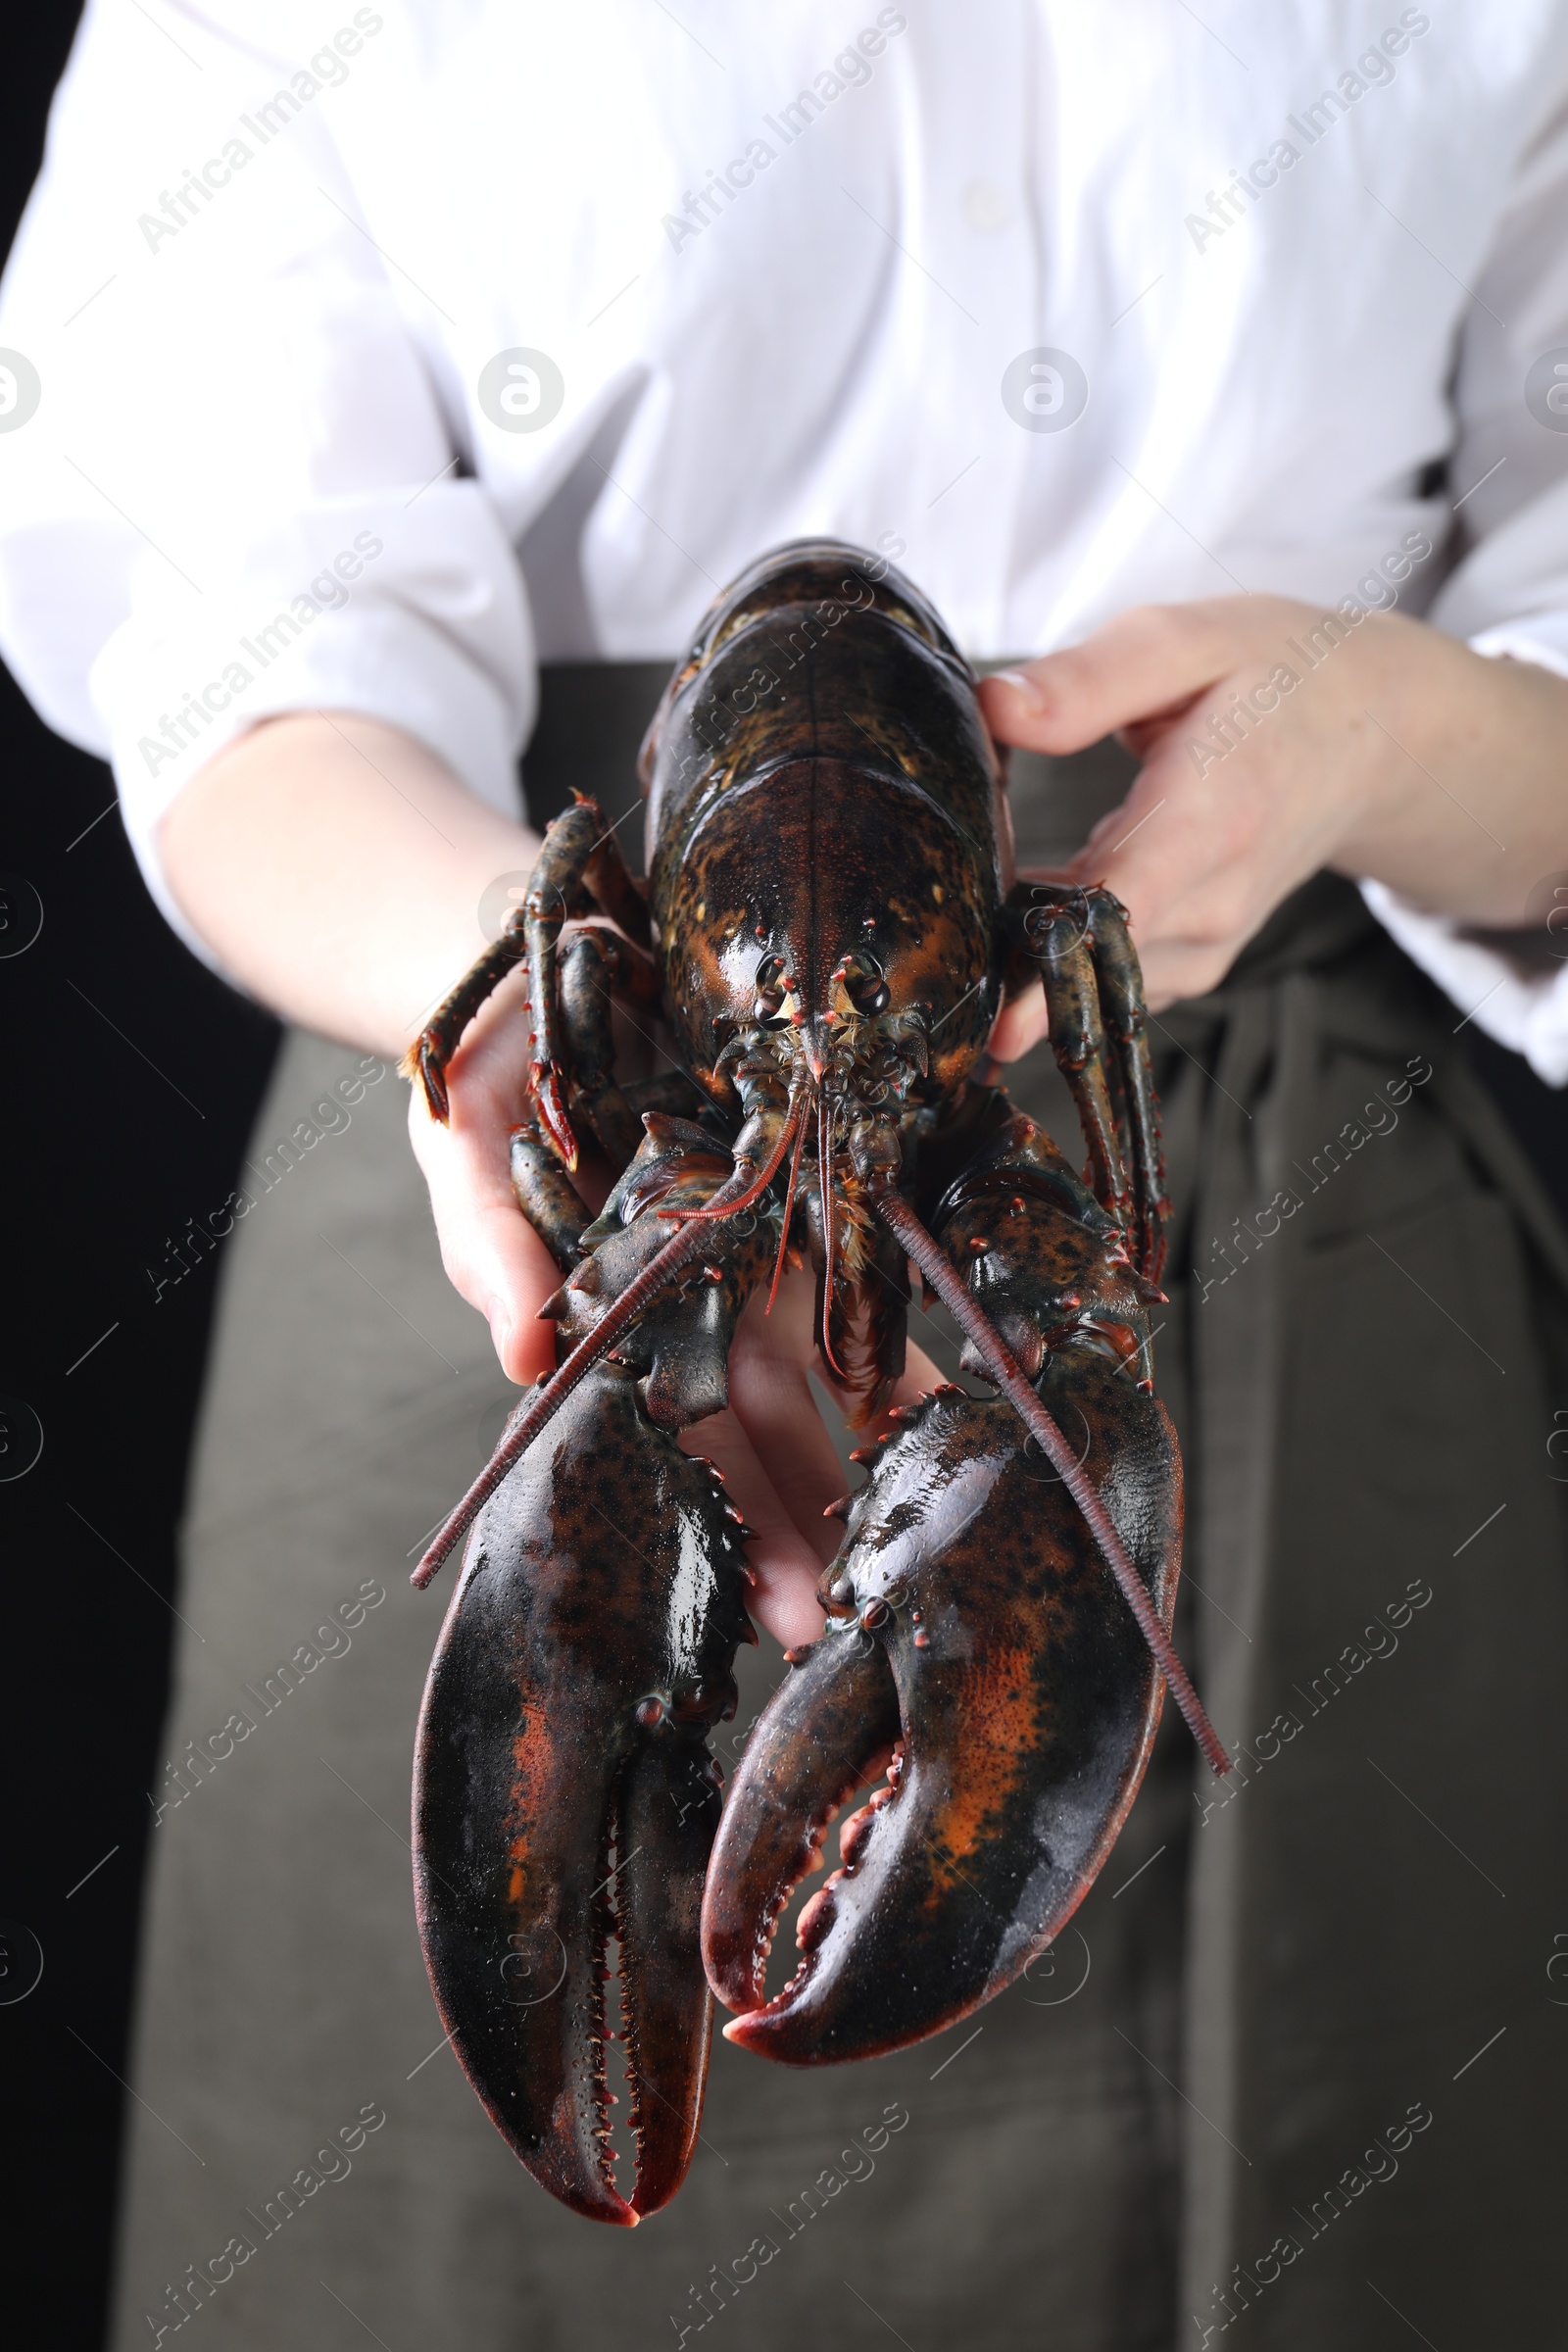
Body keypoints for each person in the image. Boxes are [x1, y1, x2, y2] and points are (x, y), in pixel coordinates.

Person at [3, 4, 1567, 2344]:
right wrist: (528, 1013)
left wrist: (1370, 725)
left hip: (1299, 1203)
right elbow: (222, 618)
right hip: (514, 1130)